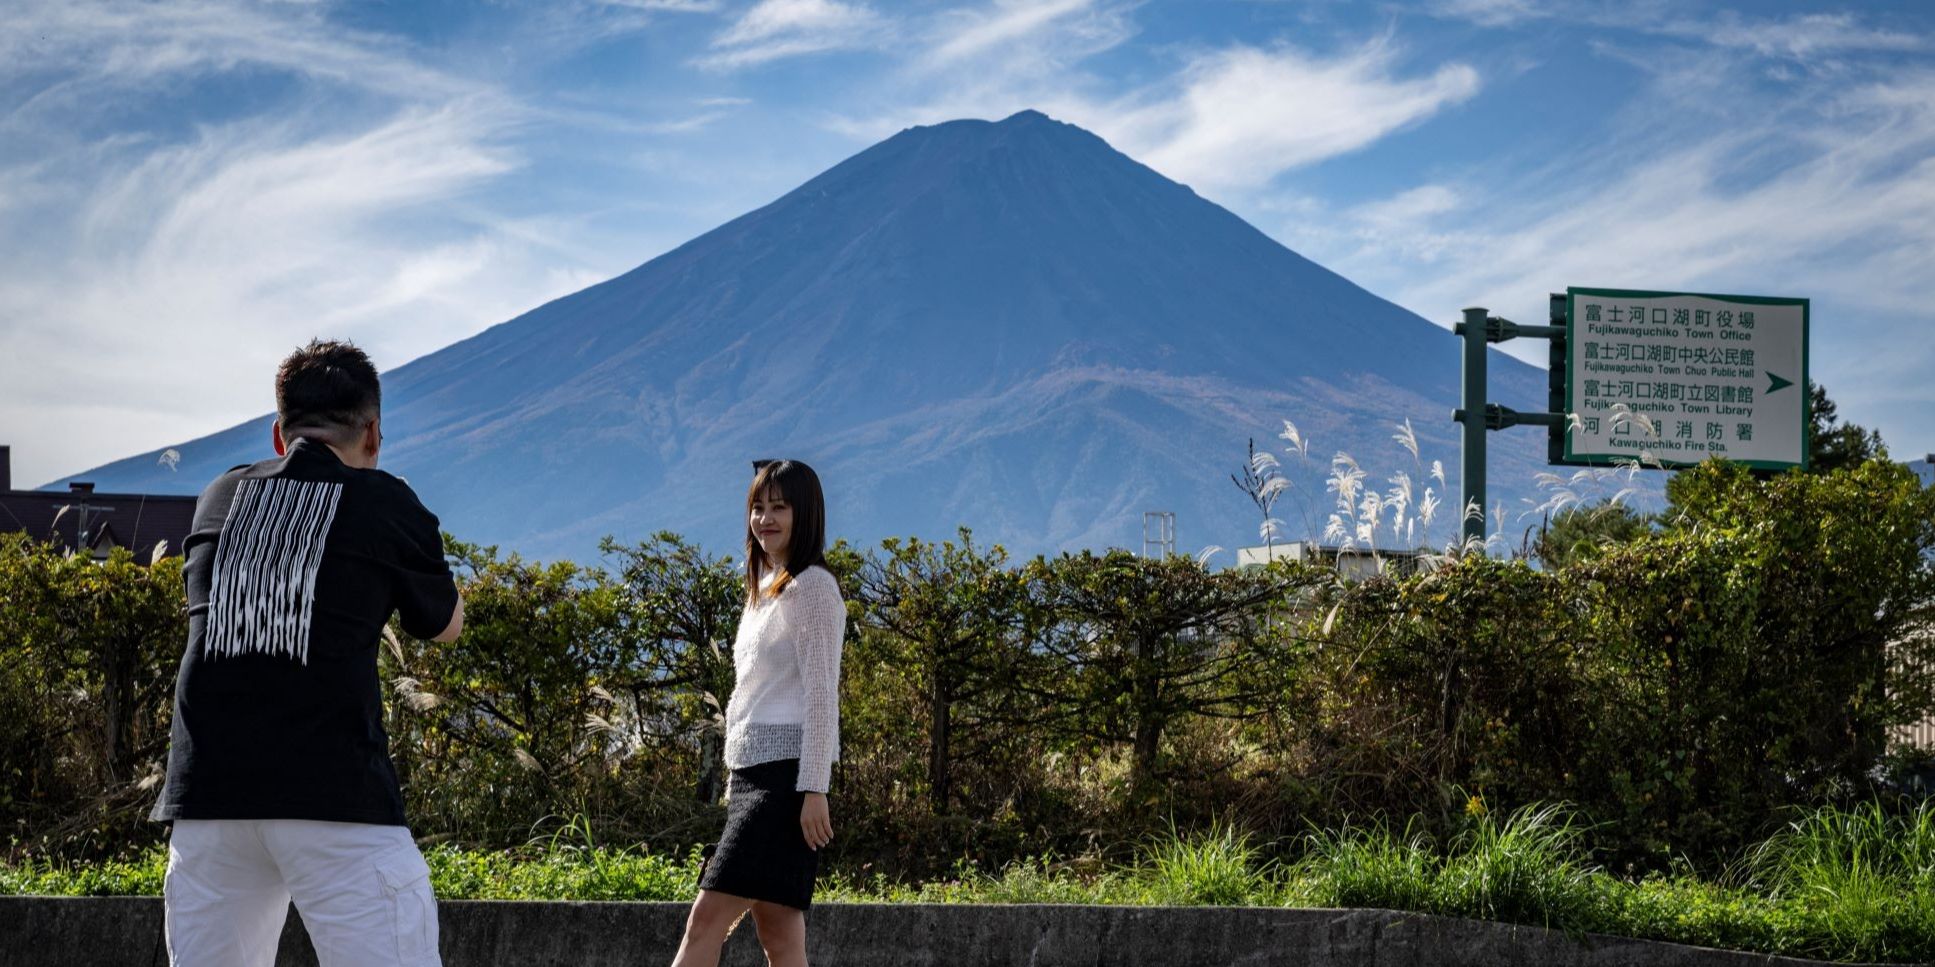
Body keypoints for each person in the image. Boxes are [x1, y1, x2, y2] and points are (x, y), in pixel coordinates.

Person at [149, 339, 464, 967]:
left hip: (209, 799)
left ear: (277, 434)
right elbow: (445, 626)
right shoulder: (385, 500)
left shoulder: (220, 495)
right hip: (333, 796)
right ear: (372, 433)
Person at [671, 459, 845, 967]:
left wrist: (815, 788)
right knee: (780, 935)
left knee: (705, 920)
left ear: (804, 513)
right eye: (758, 507)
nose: (765, 519)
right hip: (753, 779)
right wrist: (733, 779)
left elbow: (821, 696)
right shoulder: (765, 586)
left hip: (785, 783)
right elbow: (750, 694)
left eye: (779, 507)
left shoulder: (813, 588)